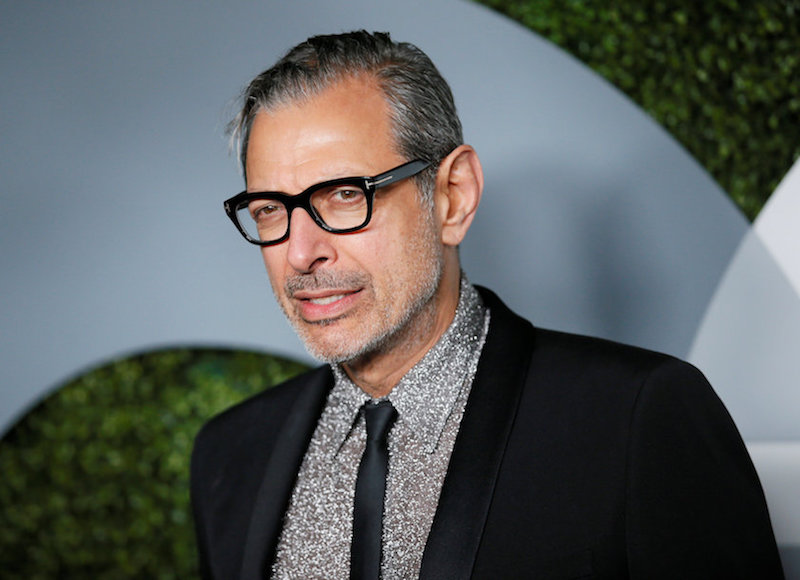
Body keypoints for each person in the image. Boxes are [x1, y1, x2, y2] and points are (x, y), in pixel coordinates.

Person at [190, 31, 783, 579]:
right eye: (270, 208)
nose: (299, 253)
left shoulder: (636, 420)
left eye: (345, 196)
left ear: (453, 197)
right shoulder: (231, 455)